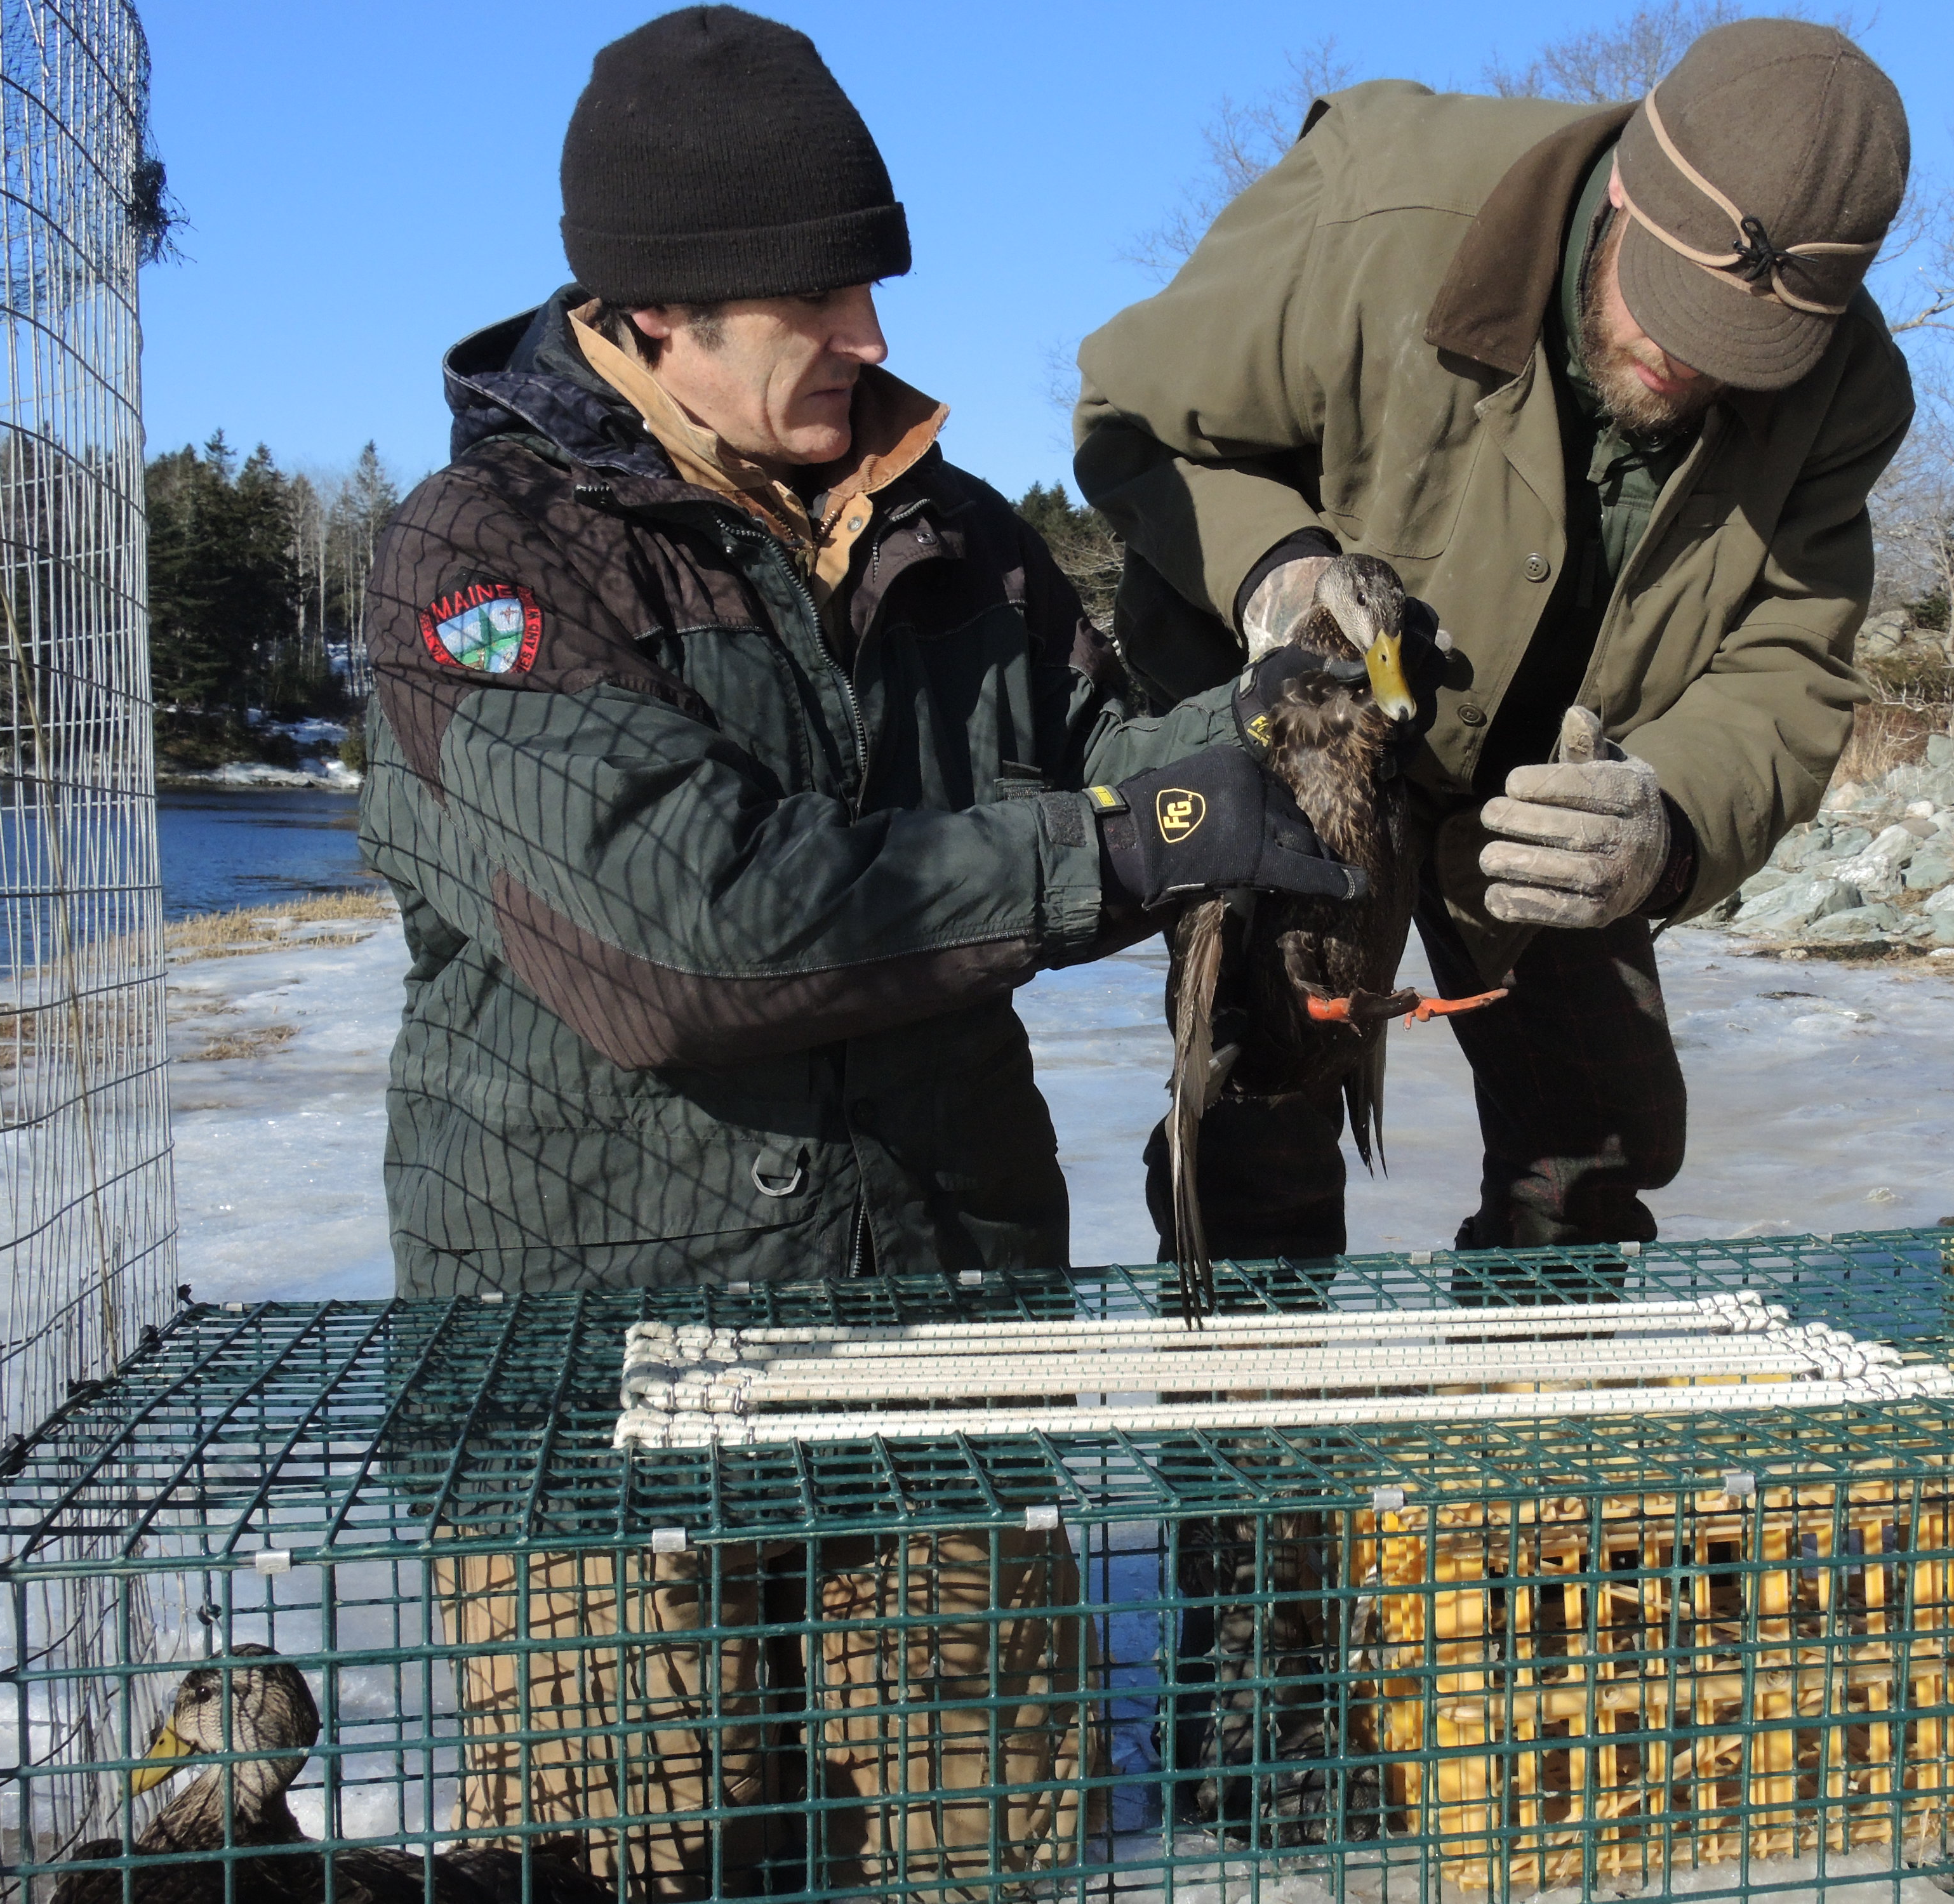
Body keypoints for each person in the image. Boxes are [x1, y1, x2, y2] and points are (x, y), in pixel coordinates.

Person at [354, 11, 1369, 1897]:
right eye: (822, 295)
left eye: (875, 284)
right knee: (633, 1863)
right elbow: (690, 943)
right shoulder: (476, 564)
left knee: (980, 1849)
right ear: (662, 308)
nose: (877, 339)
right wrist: (1138, 840)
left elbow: (1093, 764)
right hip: (594, 1416)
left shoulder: (957, 540)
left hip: (934, 1353)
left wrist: (1267, 726)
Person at [1073, 18, 1916, 1259]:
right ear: (1624, 185)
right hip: (1299, 738)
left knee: (1598, 1145)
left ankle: (1527, 1415)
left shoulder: (1845, 391)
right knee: (1261, 1115)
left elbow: (1784, 661)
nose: (1684, 363)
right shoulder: (1376, 204)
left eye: (1741, 352)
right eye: (1668, 308)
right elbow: (1133, 419)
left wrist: (1667, 821)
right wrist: (1274, 567)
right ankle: (1259, 1456)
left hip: (1549, 779)